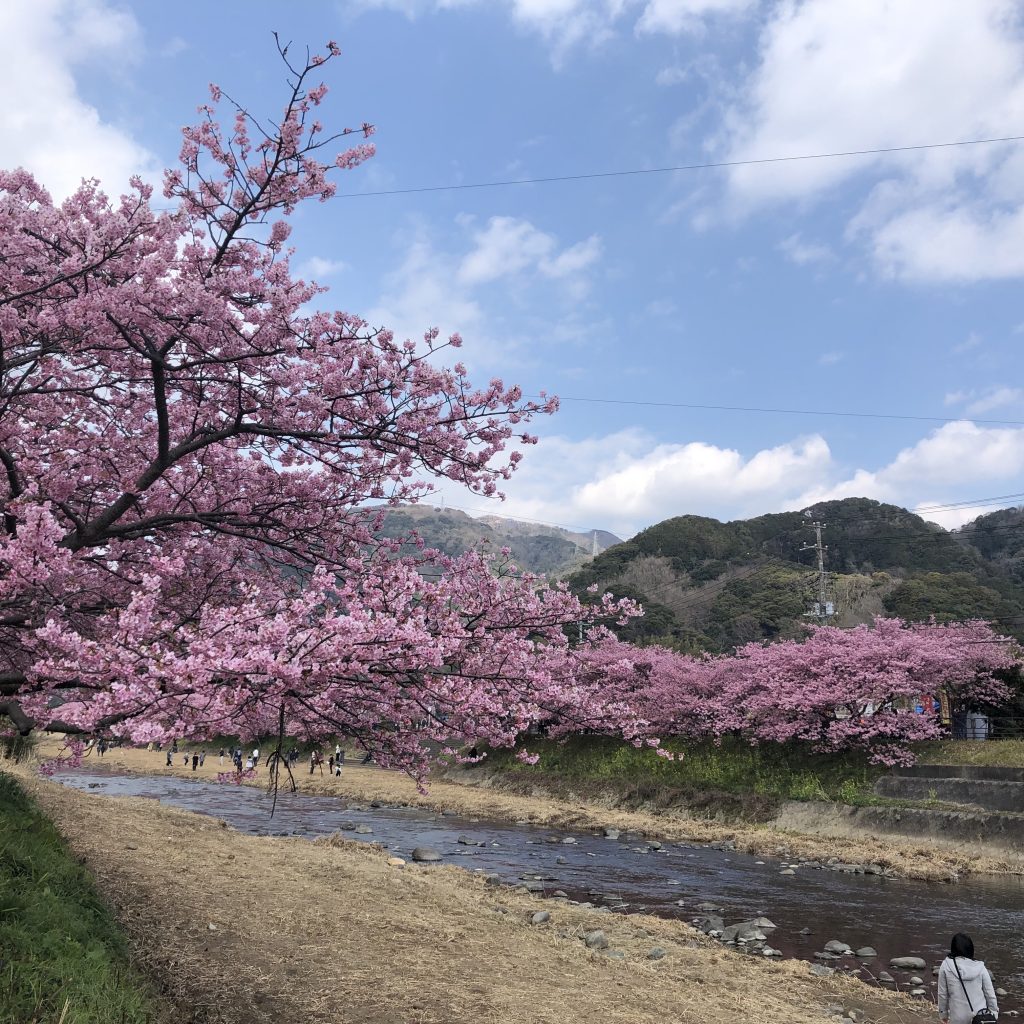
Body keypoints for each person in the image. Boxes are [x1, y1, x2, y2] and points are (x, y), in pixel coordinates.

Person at [938, 932, 998, 1024]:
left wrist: (943, 1014)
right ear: (971, 949)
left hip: (957, 1017)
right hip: (980, 1018)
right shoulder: (980, 967)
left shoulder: (946, 965)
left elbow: (942, 994)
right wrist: (994, 1014)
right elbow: (990, 994)